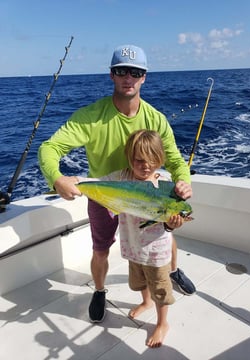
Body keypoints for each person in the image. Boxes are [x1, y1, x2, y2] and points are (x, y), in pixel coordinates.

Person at [38, 44, 195, 324]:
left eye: (135, 72)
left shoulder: (156, 118)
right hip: (104, 194)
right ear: (111, 75)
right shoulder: (91, 116)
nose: (128, 77)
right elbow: (49, 148)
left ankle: (172, 271)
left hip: (145, 193)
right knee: (100, 249)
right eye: (122, 71)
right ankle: (99, 291)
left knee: (165, 233)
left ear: (144, 77)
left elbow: (175, 160)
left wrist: (183, 181)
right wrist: (57, 178)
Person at [78, 129, 189, 347]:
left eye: (152, 160)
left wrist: (173, 222)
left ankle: (162, 323)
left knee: (160, 289)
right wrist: (76, 182)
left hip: (156, 251)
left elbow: (168, 222)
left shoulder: (166, 185)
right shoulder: (122, 177)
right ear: (130, 158)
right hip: (132, 245)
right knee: (139, 282)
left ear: (160, 159)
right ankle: (146, 302)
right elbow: (99, 184)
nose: (145, 165)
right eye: (139, 160)